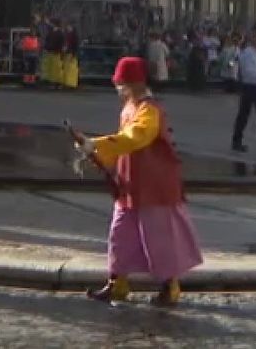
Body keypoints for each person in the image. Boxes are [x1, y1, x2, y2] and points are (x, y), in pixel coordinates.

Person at [81, 57, 203, 306]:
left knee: (160, 240)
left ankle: (170, 287)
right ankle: (117, 284)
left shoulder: (149, 110)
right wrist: (96, 153)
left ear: (134, 83)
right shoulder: (131, 107)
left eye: (121, 84)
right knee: (120, 236)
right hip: (131, 186)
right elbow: (123, 143)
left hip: (155, 187)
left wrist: (96, 144)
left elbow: (136, 138)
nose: (118, 88)